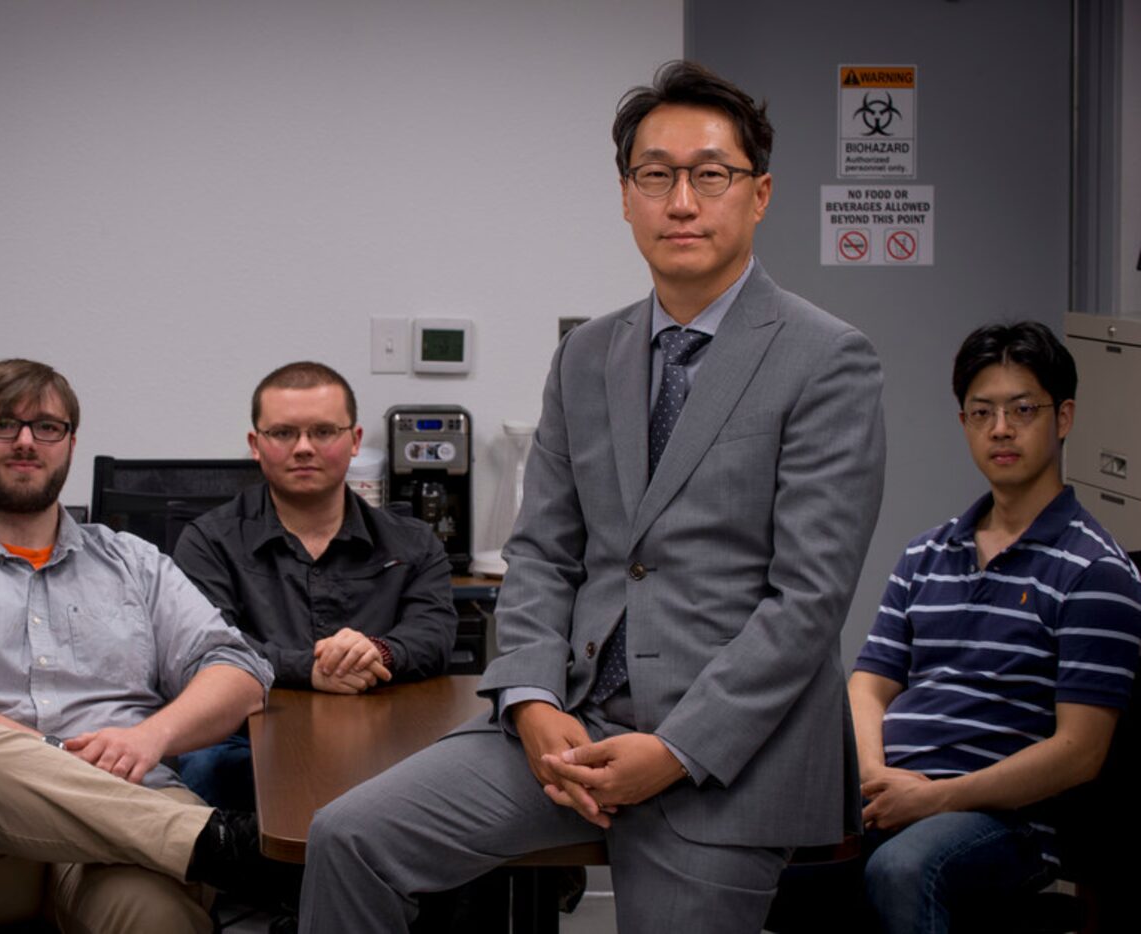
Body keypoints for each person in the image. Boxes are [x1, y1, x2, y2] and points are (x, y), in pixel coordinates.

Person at [299, 60, 887, 934]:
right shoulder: (587, 356)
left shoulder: (826, 358)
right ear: (625, 196)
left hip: (726, 754)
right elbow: (541, 552)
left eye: (710, 175)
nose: (681, 201)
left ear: (758, 194)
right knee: (347, 838)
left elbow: (806, 603)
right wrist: (532, 699)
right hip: (571, 723)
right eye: (656, 176)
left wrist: (677, 749)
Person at [0, 359, 276, 934]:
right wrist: (46, 754)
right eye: (3, 424)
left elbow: (241, 672)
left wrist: (148, 738)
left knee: (156, 919)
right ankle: (217, 844)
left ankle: (202, 847)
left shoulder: (133, 562)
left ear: (71, 444)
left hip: (118, 842)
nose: (27, 441)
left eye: (47, 427)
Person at [847, 321, 1141, 932]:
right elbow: (868, 685)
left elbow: (1080, 751)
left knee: (902, 869)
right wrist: (874, 775)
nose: (1000, 429)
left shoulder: (1094, 570)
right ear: (964, 425)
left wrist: (933, 799)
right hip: (895, 795)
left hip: (1008, 823)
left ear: (1063, 418)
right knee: (752, 851)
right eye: (982, 413)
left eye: (1021, 410)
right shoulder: (926, 553)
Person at [172, 361, 457, 810]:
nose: (304, 448)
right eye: (283, 433)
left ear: (355, 441)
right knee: (205, 770)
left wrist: (379, 651)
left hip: (385, 740)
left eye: (323, 432)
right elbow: (208, 647)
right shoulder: (209, 541)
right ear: (255, 444)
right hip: (247, 739)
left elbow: (435, 635)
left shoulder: (414, 542)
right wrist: (308, 669)